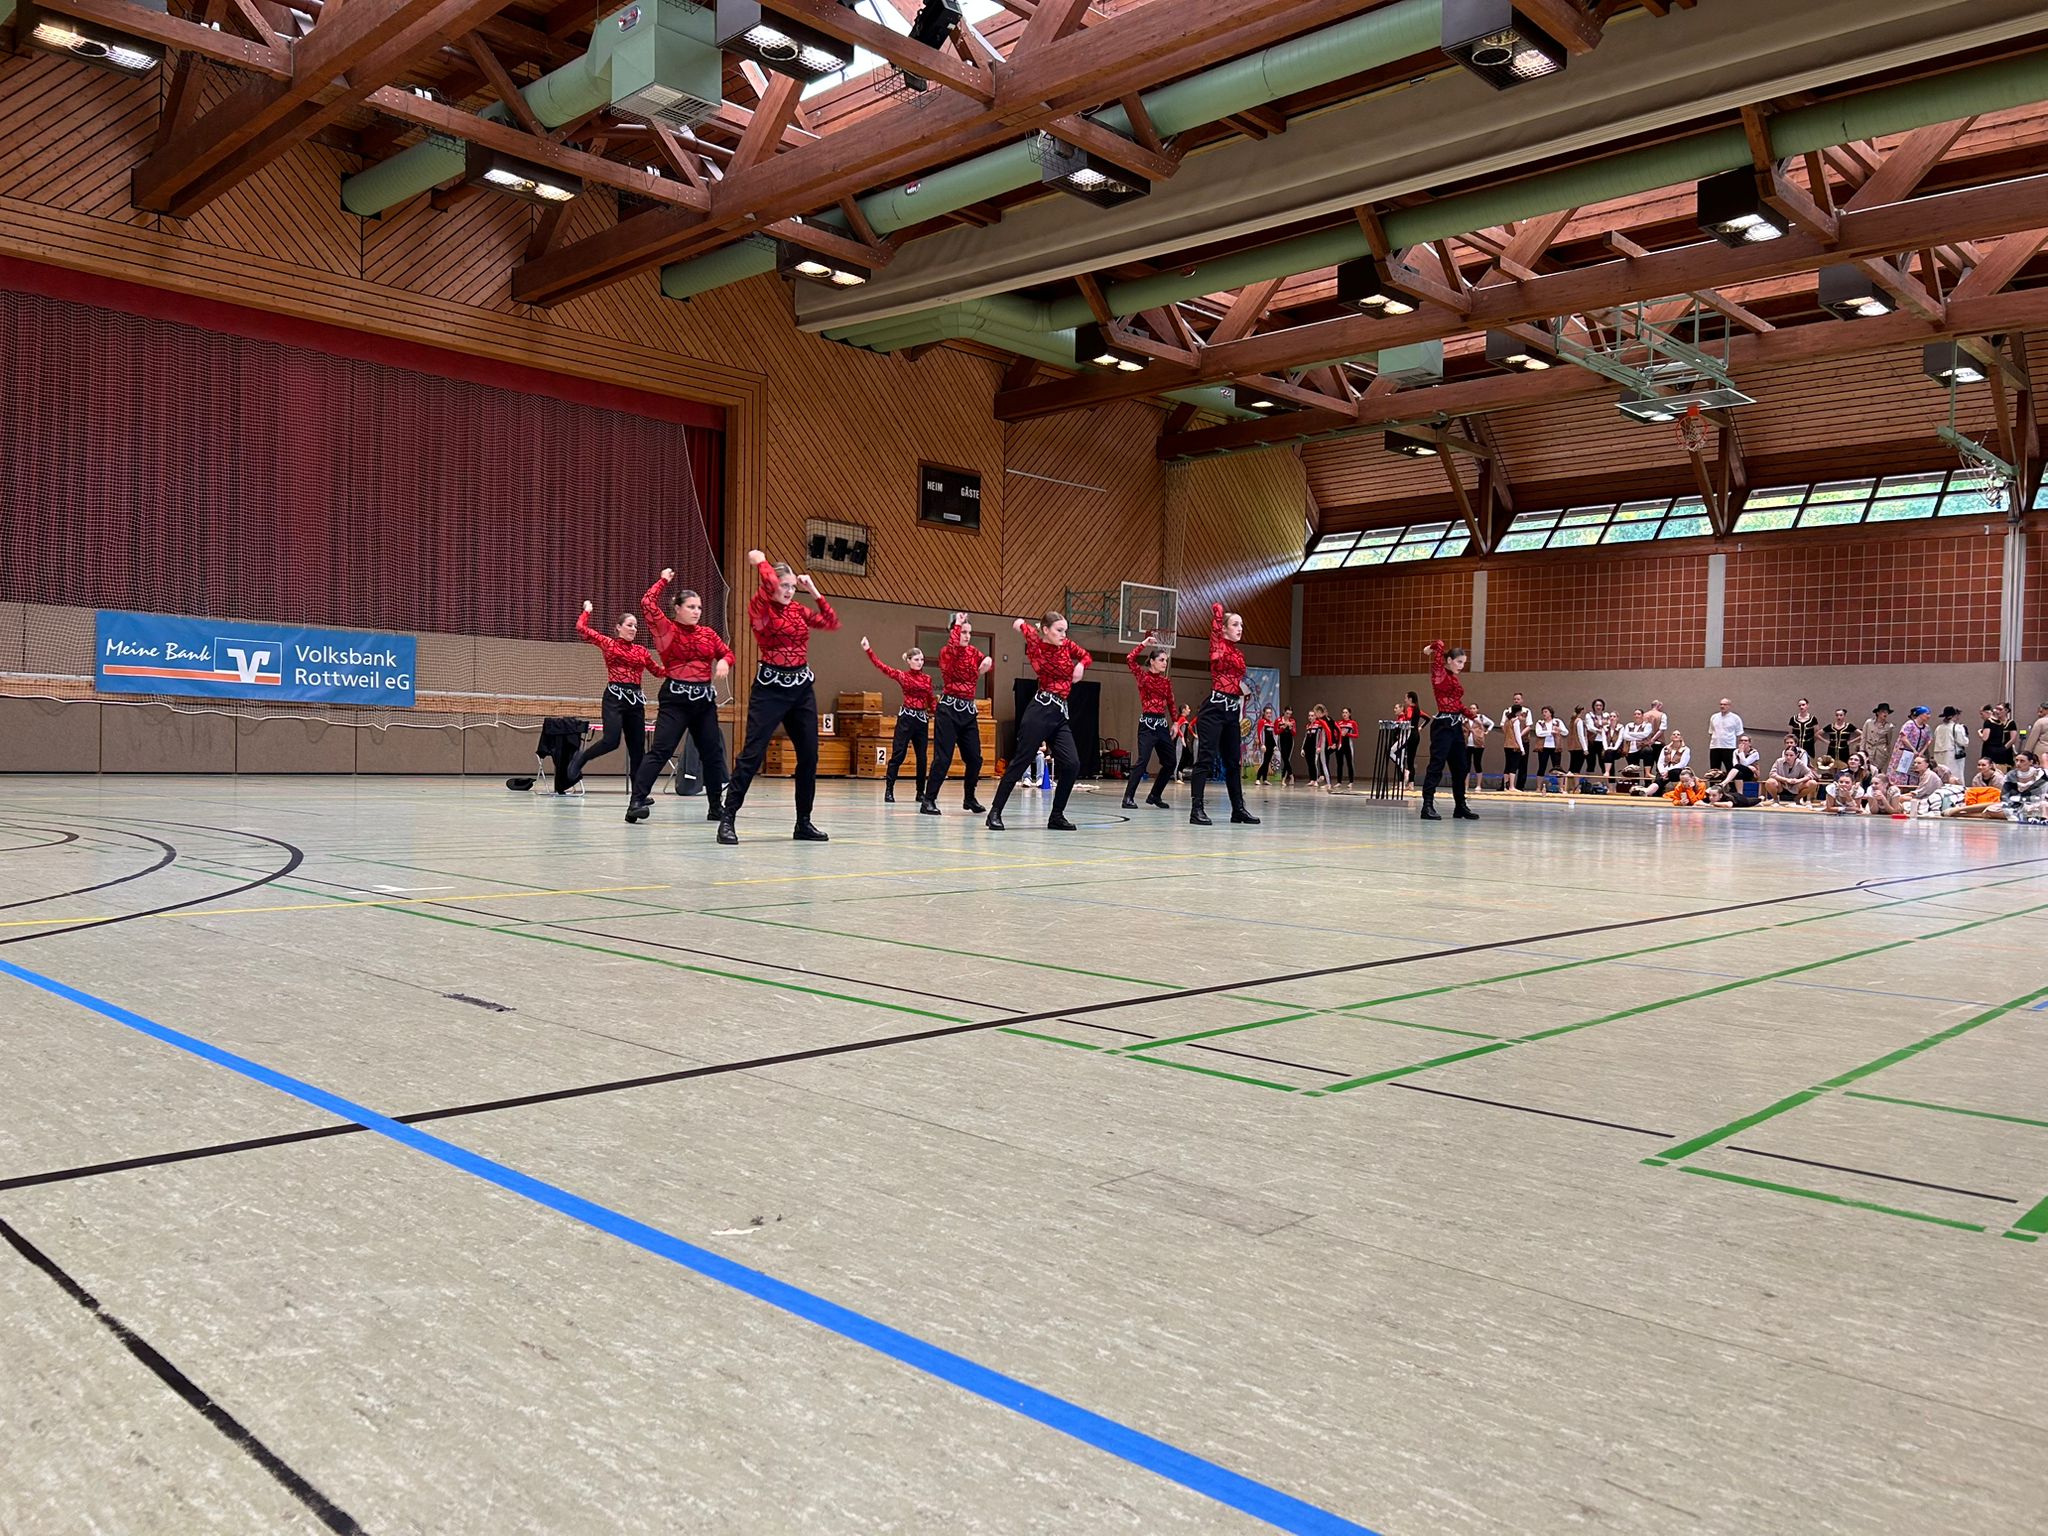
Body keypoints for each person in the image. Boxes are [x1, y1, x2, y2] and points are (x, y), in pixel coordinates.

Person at [718, 550, 838, 846]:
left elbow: (831, 622)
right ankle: (727, 819)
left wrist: (812, 589)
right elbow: (769, 581)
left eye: (792, 587)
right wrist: (760, 560)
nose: (788, 591)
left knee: (809, 755)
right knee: (752, 753)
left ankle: (803, 822)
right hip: (770, 689)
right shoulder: (760, 607)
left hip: (801, 690)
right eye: (785, 585)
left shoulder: (798, 609)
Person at [628, 572, 733, 825]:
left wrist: (724, 662)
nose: (696, 612)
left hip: (703, 702)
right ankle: (636, 802)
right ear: (677, 608)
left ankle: (715, 806)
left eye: (699, 607)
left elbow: (727, 653)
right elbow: (647, 603)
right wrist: (663, 580)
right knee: (661, 750)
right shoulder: (666, 629)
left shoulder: (708, 633)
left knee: (712, 753)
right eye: (691, 607)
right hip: (675, 700)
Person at [985, 611, 1089, 832]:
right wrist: (1020, 624)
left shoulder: (1066, 645)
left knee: (1072, 764)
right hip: (1040, 711)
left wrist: (1081, 665)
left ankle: (1056, 816)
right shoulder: (1037, 646)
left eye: (1065, 630)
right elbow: (1029, 631)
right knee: (1020, 762)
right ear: (1046, 630)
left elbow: (1086, 655)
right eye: (1059, 630)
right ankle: (995, 812)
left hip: (1060, 714)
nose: (1064, 634)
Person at [562, 600, 666, 800]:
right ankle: (581, 758)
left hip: (635, 702)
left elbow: (657, 671)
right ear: (618, 627)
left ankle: (639, 795)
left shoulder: (642, 651)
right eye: (629, 625)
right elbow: (581, 628)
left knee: (637, 750)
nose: (633, 629)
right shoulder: (608, 643)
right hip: (614, 698)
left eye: (636, 626)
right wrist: (587, 611)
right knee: (611, 741)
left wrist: (675, 667)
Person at [1188, 603, 1260, 828]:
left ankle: (1238, 809)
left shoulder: (1238, 652)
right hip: (1214, 709)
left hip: (1232, 711)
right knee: (1205, 759)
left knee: (1233, 762)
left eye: (1242, 625)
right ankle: (1196, 809)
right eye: (1235, 624)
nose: (1240, 628)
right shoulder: (1217, 645)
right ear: (1224, 628)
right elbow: (1215, 632)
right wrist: (1218, 615)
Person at [920, 612, 995, 816]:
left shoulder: (973, 652)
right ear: (954, 632)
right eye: (963, 632)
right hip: (948, 711)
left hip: (968, 711)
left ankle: (969, 798)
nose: (967, 636)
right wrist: (957, 625)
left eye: (969, 632)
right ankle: (928, 800)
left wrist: (988, 661)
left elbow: (987, 663)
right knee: (943, 758)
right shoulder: (947, 651)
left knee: (975, 758)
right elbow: (953, 647)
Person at [861, 638, 935, 804]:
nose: (920, 662)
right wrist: (868, 650)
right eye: (916, 659)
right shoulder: (902, 676)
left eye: (922, 659)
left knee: (922, 757)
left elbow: (931, 699)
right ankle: (889, 790)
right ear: (909, 661)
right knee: (898, 754)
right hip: (906, 719)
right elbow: (881, 666)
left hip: (922, 720)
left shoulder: (927, 679)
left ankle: (920, 792)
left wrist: (940, 714)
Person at [1418, 640, 1479, 821]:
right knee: (1437, 765)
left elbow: (1457, 704)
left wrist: (1474, 717)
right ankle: (1427, 805)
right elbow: (1439, 644)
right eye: (1459, 662)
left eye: (1464, 663)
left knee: (1461, 766)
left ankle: (1460, 806)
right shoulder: (1439, 673)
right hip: (1443, 726)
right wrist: (1429, 649)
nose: (1462, 666)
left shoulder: (1453, 678)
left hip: (1455, 726)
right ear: (1450, 660)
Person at [1123, 632, 1178, 810]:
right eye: (1161, 660)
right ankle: (1128, 798)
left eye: (1166, 660)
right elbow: (1130, 659)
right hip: (1147, 725)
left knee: (1170, 762)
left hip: (1162, 725)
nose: (1164, 663)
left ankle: (1155, 795)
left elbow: (1171, 703)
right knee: (1143, 761)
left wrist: (1176, 722)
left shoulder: (1166, 682)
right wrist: (1144, 643)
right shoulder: (1143, 677)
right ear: (1152, 661)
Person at [1764, 736, 1820, 803]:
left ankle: (1798, 798)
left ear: (1796, 755)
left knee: (1813, 783)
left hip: (1796, 784)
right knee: (1770, 782)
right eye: (1786, 755)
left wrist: (1798, 780)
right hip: (1782, 784)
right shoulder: (1779, 761)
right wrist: (1786, 780)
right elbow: (1772, 774)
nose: (1788, 757)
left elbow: (1810, 774)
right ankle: (1775, 799)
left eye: (1791, 755)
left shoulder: (1800, 761)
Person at [1996, 752, 2048, 822]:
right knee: (1992, 809)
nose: (2018, 763)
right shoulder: (2010, 775)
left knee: (2043, 805)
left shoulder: (2041, 774)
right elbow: (2005, 795)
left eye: (2022, 761)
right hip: (2016, 804)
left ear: (2030, 762)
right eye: (2016, 760)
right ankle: (2027, 816)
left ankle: (2036, 818)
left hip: (2036, 803)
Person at [1500, 696, 1532, 792]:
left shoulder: (1507, 721)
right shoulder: (1516, 721)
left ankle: (1505, 786)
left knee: (1507, 765)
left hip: (1506, 745)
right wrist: (1522, 748)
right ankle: (1511, 786)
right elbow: (1518, 735)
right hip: (1514, 745)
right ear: (1518, 712)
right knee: (1513, 766)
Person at [1707, 697, 1743, 777]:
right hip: (1715, 747)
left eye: (1725, 704)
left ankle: (1731, 784)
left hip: (1729, 747)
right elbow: (1711, 732)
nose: (1722, 706)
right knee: (1714, 770)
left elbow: (1739, 734)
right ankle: (1714, 784)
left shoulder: (1735, 718)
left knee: (1730, 768)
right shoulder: (1714, 717)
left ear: (1729, 706)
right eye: (1721, 704)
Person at [1933, 706, 1971, 779]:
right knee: (1954, 775)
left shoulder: (1938, 728)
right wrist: (1966, 734)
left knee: (1940, 775)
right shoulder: (1957, 727)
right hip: (1952, 755)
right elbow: (1964, 742)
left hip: (1938, 754)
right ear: (1954, 716)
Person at [1533, 706, 1566, 783]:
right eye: (1543, 712)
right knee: (1542, 767)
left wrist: (1560, 730)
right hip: (1543, 747)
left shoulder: (1557, 722)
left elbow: (1565, 732)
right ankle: (1539, 787)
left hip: (1555, 747)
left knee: (1558, 768)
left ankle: (1561, 787)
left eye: (1546, 712)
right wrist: (1551, 732)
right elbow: (1538, 733)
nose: (1544, 714)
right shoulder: (1540, 723)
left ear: (1551, 713)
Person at [1861, 703, 1896, 773]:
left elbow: (1888, 741)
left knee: (1877, 770)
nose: (1885, 714)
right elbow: (1863, 737)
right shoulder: (1869, 722)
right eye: (1883, 712)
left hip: (1879, 751)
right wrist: (1861, 751)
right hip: (1868, 748)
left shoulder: (1889, 726)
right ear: (1878, 713)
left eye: (1887, 712)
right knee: (1866, 769)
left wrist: (1886, 753)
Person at [1982, 703, 2017, 769]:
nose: (1997, 711)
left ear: (2006, 710)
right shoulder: (1992, 722)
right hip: (1992, 749)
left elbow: (2013, 738)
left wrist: (2004, 748)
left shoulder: (2010, 723)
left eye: (2000, 709)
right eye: (1996, 709)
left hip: (2005, 750)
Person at [1332, 707, 1359, 786]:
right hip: (1340, 745)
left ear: (1349, 714)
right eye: (1343, 712)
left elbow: (1356, 735)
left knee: (1349, 763)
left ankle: (1351, 782)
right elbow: (1335, 733)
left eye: (1346, 712)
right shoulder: (1339, 723)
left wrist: (1347, 734)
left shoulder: (1352, 723)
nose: (1344, 714)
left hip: (1348, 745)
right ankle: (1339, 782)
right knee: (1339, 763)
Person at [1254, 706, 1280, 784]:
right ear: (1264, 713)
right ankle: (1258, 778)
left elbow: (1271, 736)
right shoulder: (1262, 721)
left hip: (1270, 746)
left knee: (1267, 762)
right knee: (1265, 762)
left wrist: (1274, 745)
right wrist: (1262, 744)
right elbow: (1259, 733)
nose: (1269, 715)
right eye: (1267, 713)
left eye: (1270, 713)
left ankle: (1265, 779)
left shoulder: (1271, 723)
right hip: (1264, 746)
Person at [1787, 698, 1819, 763]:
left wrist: (1810, 742)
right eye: (1799, 705)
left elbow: (1816, 734)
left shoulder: (1813, 719)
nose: (1801, 707)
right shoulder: (1793, 719)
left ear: (1807, 705)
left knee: (1808, 765)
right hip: (1796, 747)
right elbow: (1790, 735)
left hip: (1809, 748)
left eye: (1803, 705)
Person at [1276, 708, 1298, 786]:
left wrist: (1291, 728)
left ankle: (1283, 779)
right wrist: (1282, 728)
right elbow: (1276, 731)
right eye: (1287, 713)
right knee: (1285, 758)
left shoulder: (1292, 721)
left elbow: (1294, 733)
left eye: (1290, 714)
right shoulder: (1278, 720)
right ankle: (1291, 776)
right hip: (1282, 740)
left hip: (1290, 741)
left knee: (1287, 759)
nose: (1288, 715)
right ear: (1284, 712)